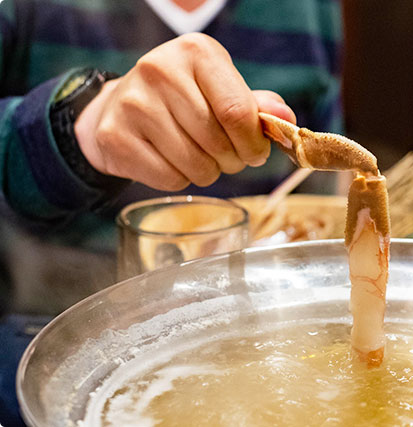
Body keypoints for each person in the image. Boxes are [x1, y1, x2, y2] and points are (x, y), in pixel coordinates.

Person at [0, 1, 343, 424]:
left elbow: (317, 190)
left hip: (257, 346)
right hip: (45, 353)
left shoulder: (311, 8)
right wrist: (81, 128)